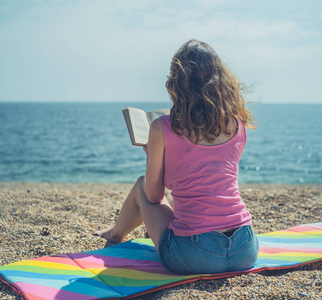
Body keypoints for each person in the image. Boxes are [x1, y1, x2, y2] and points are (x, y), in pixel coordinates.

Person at [94, 39, 259, 275]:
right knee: (185, 201)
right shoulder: (236, 124)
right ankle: (116, 232)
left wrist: (152, 157)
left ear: (177, 84)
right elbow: (209, 175)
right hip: (245, 248)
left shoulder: (163, 127)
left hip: (195, 254)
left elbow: (153, 195)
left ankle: (115, 234)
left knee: (142, 184)